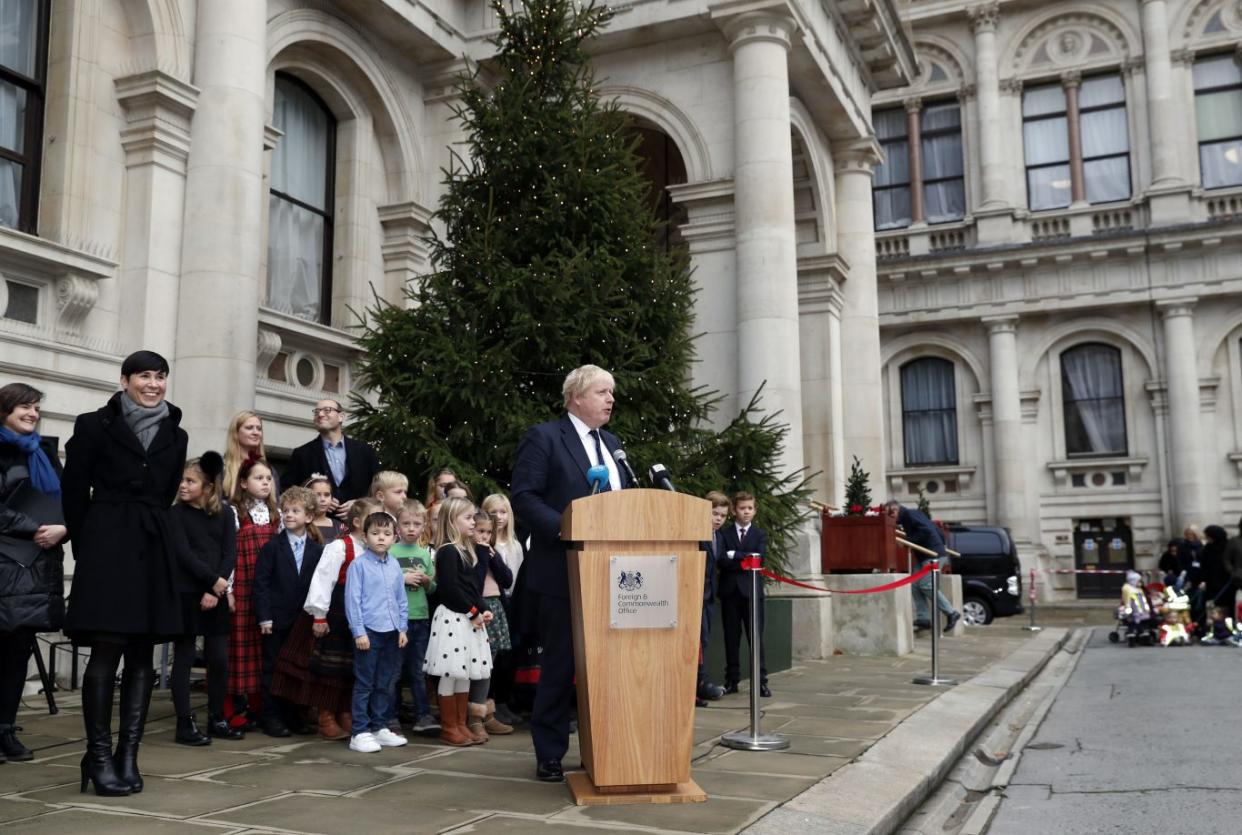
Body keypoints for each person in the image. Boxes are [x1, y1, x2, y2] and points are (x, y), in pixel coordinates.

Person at [62, 350, 187, 796]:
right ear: (124, 379)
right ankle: (97, 756)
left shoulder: (177, 431)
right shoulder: (93, 424)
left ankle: (127, 755)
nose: (153, 384)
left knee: (141, 652)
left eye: (160, 377)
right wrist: (86, 544)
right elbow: (74, 489)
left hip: (152, 542)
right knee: (105, 649)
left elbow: (169, 490)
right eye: (144, 377)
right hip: (107, 541)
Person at [511, 364, 631, 782]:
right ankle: (550, 753)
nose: (611, 399)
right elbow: (524, 497)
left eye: (612, 392)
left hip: (613, 573)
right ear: (576, 397)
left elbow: (625, 501)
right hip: (562, 571)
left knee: (609, 665)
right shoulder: (545, 437)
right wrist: (567, 526)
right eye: (602, 392)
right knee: (561, 665)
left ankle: (609, 748)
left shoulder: (613, 444)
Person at [0, 382, 67, 763]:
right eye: (24, 406)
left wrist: (64, 527)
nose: (32, 413)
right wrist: (32, 528)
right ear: (5, 410)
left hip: (37, 566)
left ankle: (5, 731)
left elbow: (67, 501)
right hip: (5, 562)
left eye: (36, 407)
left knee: (18, 653)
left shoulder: (44, 451)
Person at [168, 453, 234, 745]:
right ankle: (184, 723)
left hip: (215, 592)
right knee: (183, 656)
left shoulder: (224, 513)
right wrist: (211, 582)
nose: (183, 485)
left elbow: (228, 553)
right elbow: (183, 554)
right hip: (185, 592)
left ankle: (217, 717)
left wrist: (215, 589)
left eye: (190, 481)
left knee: (219, 658)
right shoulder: (176, 514)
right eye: (182, 479)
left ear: (208, 487)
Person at [302, 498, 380, 739]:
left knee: (353, 667)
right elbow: (323, 580)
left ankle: (346, 712)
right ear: (357, 522)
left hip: (361, 617)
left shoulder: (374, 549)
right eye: (373, 517)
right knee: (331, 667)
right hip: (337, 614)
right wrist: (319, 616)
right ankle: (326, 715)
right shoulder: (339, 547)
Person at [255, 487, 324, 737]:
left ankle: (294, 715)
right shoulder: (272, 547)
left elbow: (320, 586)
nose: (289, 515)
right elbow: (261, 584)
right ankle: (271, 716)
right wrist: (264, 616)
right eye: (285, 511)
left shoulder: (317, 551)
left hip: (302, 621)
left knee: (298, 669)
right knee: (273, 667)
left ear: (309, 517)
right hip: (276, 619)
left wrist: (319, 616)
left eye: (296, 511)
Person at [425, 497, 493, 747]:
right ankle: (449, 726)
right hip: (454, 618)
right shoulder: (447, 551)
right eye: (468, 518)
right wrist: (472, 611)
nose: (473, 522)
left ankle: (462, 724)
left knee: (466, 672)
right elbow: (450, 589)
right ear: (453, 521)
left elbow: (472, 588)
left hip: (468, 618)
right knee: (450, 672)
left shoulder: (468, 550)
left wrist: (483, 610)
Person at [344, 511, 409, 753]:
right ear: (365, 536)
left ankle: (379, 727)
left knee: (385, 682)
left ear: (394, 537)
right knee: (365, 683)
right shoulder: (358, 566)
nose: (381, 538)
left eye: (386, 533)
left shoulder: (394, 564)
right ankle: (360, 731)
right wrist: (359, 632)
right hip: (369, 632)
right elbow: (353, 601)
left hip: (391, 632)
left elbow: (401, 599)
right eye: (375, 533)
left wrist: (403, 628)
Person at [226, 456, 279, 732]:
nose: (265, 483)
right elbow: (230, 553)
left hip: (267, 589)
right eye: (259, 478)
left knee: (263, 647)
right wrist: (230, 590)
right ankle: (232, 707)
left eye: (268, 478)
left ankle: (260, 706)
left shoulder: (275, 514)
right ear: (244, 483)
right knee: (240, 645)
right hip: (244, 586)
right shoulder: (236, 512)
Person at [282, 399, 381, 519]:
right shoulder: (302, 454)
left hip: (361, 524)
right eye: (316, 412)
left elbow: (379, 487)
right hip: (318, 527)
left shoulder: (365, 451)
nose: (320, 414)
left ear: (341, 417)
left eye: (327, 410)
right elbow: (287, 490)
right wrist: (313, 501)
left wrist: (361, 504)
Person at [390, 500, 438, 735]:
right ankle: (391, 716)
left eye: (416, 524)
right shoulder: (390, 551)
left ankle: (424, 715)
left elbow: (432, 588)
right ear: (397, 526)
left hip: (420, 617)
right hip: (397, 620)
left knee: (418, 670)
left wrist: (428, 581)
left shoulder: (424, 554)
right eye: (406, 523)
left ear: (423, 526)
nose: (411, 528)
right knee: (395, 670)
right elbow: (382, 581)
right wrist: (403, 578)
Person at [717, 491, 771, 698]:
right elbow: (722, 559)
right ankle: (732, 680)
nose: (746, 512)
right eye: (742, 508)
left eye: (750, 508)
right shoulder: (725, 534)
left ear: (754, 510)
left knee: (755, 639)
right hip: (730, 593)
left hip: (752, 594)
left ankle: (761, 682)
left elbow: (759, 559)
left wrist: (736, 555)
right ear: (734, 510)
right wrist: (743, 560)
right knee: (731, 639)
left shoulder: (760, 535)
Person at [884, 500, 962, 635]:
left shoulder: (910, 514)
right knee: (914, 584)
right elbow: (935, 530)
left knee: (926, 585)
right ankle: (923, 618)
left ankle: (951, 612)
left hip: (933, 555)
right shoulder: (910, 516)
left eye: (890, 514)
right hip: (926, 556)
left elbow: (926, 531)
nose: (891, 518)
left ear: (895, 510)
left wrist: (909, 541)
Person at [469, 510, 514, 740]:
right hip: (480, 608)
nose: (485, 537)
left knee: (492, 663)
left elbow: (507, 579)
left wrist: (493, 557)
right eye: (480, 531)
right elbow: (475, 583)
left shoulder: (491, 552)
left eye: (488, 532)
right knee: (479, 662)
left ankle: (488, 713)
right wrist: (482, 554)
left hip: (496, 606)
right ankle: (474, 716)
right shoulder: (472, 554)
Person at [481, 493, 524, 726]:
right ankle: (489, 704)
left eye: (503, 512)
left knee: (507, 654)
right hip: (489, 600)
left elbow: (513, 578)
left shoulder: (514, 544)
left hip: (508, 600)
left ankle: (503, 701)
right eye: (493, 512)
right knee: (491, 655)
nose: (499, 517)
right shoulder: (486, 543)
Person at [696, 491, 729, 705]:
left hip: (709, 598)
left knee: (704, 640)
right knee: (694, 643)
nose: (718, 519)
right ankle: (696, 686)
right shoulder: (697, 535)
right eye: (714, 513)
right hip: (695, 596)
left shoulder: (720, 537)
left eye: (723, 515)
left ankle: (700, 683)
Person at [222, 411, 274, 498]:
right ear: (236, 433)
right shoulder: (222, 468)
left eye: (259, 428)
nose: (256, 432)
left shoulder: (269, 469)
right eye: (249, 428)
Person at [304, 473, 340, 544]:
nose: (323, 499)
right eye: (317, 495)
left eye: (327, 495)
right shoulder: (299, 525)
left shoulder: (340, 527)